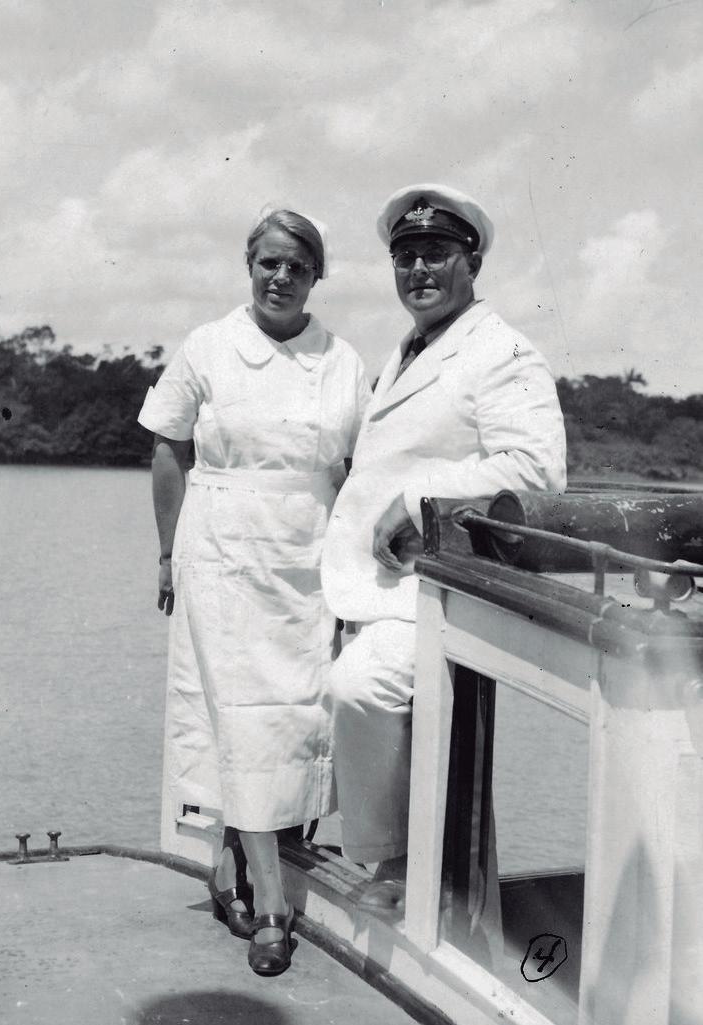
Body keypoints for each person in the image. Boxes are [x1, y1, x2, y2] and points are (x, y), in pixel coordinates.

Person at [321, 183, 567, 911]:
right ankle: (328, 843)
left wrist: (416, 500)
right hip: (373, 585)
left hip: (443, 585)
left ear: (473, 262)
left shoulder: (502, 353)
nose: (419, 269)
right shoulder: (407, 351)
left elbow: (537, 471)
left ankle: (398, 862)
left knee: (361, 687)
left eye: (436, 253)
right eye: (406, 257)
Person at [138, 208, 371, 976]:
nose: (281, 277)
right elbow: (168, 447)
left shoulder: (342, 362)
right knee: (240, 721)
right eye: (269, 262)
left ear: (317, 276)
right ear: (250, 265)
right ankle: (271, 902)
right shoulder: (208, 347)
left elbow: (361, 475)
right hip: (221, 557)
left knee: (298, 719)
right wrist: (167, 553)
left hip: (308, 564)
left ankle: (227, 867)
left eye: (298, 266)